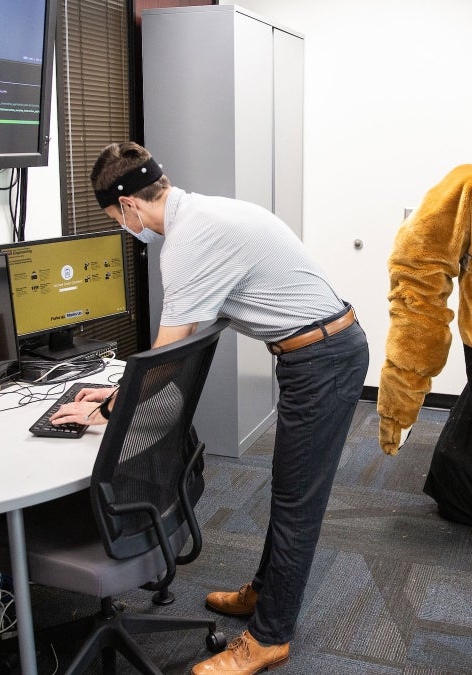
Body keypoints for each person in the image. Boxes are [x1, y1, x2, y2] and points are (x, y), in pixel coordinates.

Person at [49, 141, 369, 674]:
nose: (124, 230)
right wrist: (111, 395)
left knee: (298, 502)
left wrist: (104, 414)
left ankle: (269, 639)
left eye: (115, 220)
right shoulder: (207, 211)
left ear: (127, 207)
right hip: (319, 351)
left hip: (322, 360)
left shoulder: (188, 243)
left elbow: (161, 364)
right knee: (290, 490)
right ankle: (264, 595)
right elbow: (163, 356)